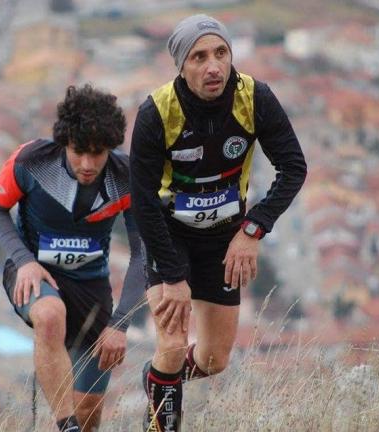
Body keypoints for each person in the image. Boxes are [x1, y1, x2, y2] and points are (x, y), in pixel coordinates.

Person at [129, 14, 307, 431]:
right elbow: (142, 201)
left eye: (221, 53)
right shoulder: (157, 111)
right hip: (168, 235)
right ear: (181, 66)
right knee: (172, 345)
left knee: (214, 359)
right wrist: (173, 276)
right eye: (199, 57)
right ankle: (163, 412)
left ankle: (158, 380)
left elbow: (293, 168)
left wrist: (253, 229)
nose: (213, 66)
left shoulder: (254, 97)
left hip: (225, 237)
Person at [0, 84, 145, 431]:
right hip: (34, 272)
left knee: (89, 412)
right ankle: (65, 424)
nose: (87, 164)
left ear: (111, 147)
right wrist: (24, 260)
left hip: (91, 287)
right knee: (49, 315)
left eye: (97, 154)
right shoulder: (31, 161)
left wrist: (120, 324)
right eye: (78, 152)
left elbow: (143, 253)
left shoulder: (127, 176)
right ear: (63, 143)